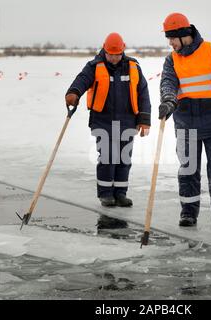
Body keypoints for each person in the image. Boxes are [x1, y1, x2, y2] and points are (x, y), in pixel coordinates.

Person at [159, 13, 211, 230]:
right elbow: (168, 83)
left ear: (183, 34)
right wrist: (168, 101)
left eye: (171, 38)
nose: (170, 42)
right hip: (186, 122)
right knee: (188, 169)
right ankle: (188, 213)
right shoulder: (171, 59)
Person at [65, 33, 151, 207]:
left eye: (117, 54)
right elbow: (82, 80)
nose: (113, 58)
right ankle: (105, 194)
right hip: (103, 121)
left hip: (128, 121)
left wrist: (144, 119)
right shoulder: (94, 66)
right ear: (104, 50)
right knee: (108, 157)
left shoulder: (133, 66)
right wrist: (73, 93)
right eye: (110, 54)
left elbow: (143, 93)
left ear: (123, 51)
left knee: (124, 158)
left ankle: (120, 193)